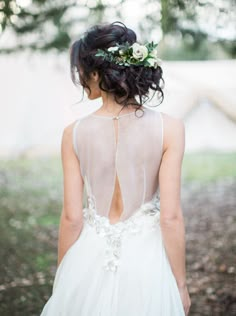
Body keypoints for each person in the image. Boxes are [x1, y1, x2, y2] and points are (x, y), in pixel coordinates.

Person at [40, 21, 191, 316]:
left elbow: (72, 217)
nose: (80, 79)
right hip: (148, 260)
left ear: (96, 73)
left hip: (89, 255)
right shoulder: (171, 129)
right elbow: (170, 217)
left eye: (81, 71)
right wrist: (181, 285)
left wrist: (65, 281)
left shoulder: (73, 134)